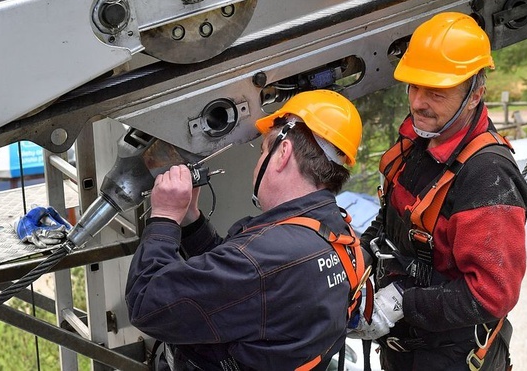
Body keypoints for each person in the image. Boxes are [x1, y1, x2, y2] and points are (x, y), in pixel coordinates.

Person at [126, 90, 365, 371]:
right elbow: (235, 287)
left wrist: (164, 217)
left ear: (283, 153)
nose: (258, 163)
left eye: (264, 150)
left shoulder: (268, 256)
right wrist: (191, 220)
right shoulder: (340, 236)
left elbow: (146, 305)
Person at [351, 12, 527, 370]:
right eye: (414, 87)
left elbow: (492, 293)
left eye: (436, 91)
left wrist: (403, 301)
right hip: (405, 351)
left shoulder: (487, 177)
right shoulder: (420, 141)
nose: (418, 102)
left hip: (450, 357)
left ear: (476, 92)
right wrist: (360, 263)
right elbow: (389, 223)